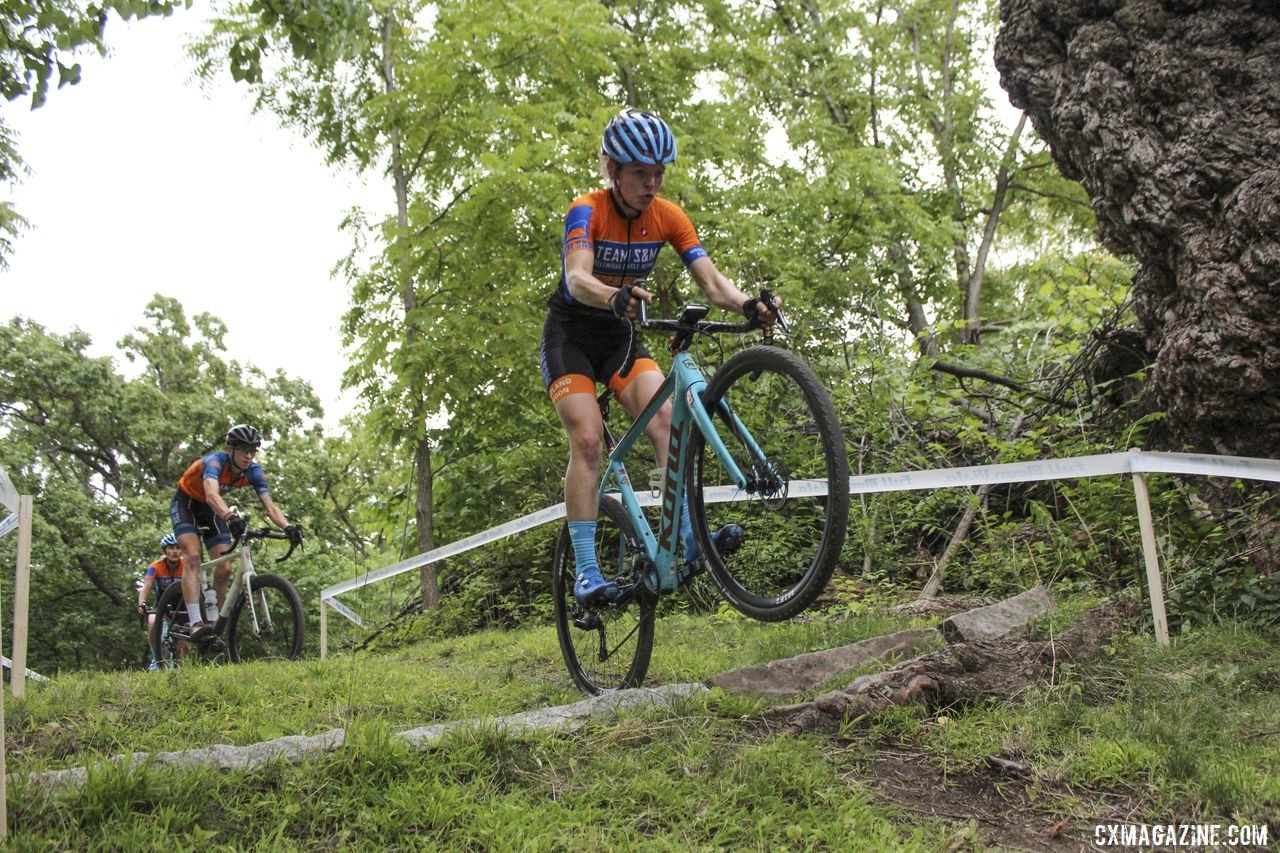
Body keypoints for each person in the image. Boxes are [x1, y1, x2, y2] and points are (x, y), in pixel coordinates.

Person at [541, 108, 777, 606]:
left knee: (667, 419)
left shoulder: (668, 216)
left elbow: (713, 284)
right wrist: (612, 295)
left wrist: (749, 306)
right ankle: (586, 570)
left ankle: (688, 536)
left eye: (658, 174)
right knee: (587, 440)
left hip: (622, 336)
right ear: (613, 172)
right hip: (572, 338)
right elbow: (576, 278)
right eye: (639, 174)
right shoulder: (586, 210)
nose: (651, 184)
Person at [169, 424, 303, 642]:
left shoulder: (255, 472)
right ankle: (195, 622)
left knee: (224, 567)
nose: (248, 456)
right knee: (192, 556)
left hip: (210, 510)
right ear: (230, 449)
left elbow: (270, 507)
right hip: (186, 503)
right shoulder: (215, 462)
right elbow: (212, 495)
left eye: (253, 450)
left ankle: (215, 620)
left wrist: (287, 527)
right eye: (243, 450)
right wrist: (229, 517)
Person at [137, 532, 185, 670]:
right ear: (165, 550)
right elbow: (146, 586)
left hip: (181, 607)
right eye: (171, 548)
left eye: (177, 547)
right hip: (162, 605)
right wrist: (142, 602)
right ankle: (156, 656)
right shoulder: (156, 566)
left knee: (182, 644)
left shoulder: (185, 565)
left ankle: (181, 668)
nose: (175, 551)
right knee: (152, 622)